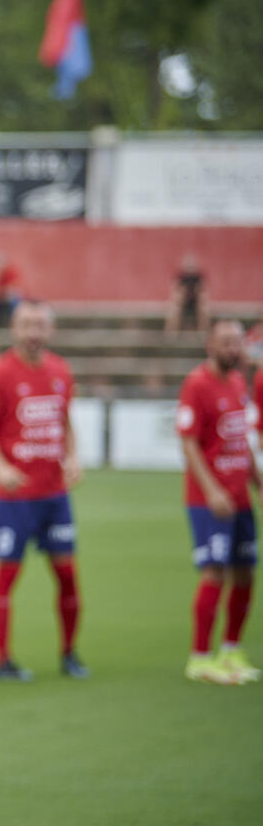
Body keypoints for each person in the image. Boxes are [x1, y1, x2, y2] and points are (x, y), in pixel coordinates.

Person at [0, 300, 87, 682]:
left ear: (49, 329)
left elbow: (65, 421)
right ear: (14, 329)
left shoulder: (60, 370)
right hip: (16, 497)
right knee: (7, 576)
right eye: (26, 324)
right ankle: (1, 660)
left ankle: (69, 653)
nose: (33, 332)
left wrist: (73, 457)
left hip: (54, 494)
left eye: (39, 324)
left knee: (67, 575)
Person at [176, 318, 260, 685]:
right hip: (209, 501)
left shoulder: (239, 382)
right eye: (225, 342)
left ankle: (231, 650)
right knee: (214, 571)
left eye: (236, 342)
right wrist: (211, 490)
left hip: (240, 498)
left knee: (245, 571)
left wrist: (257, 482)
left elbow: (241, 439)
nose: (232, 349)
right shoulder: (197, 384)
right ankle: (199, 657)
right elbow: (189, 443)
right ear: (209, 345)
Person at [165, 252, 209, 335]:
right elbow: (175, 291)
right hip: (183, 302)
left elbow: (204, 292)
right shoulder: (180, 277)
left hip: (196, 303)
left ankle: (203, 333)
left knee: (203, 309)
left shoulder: (199, 277)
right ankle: (171, 334)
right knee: (175, 310)